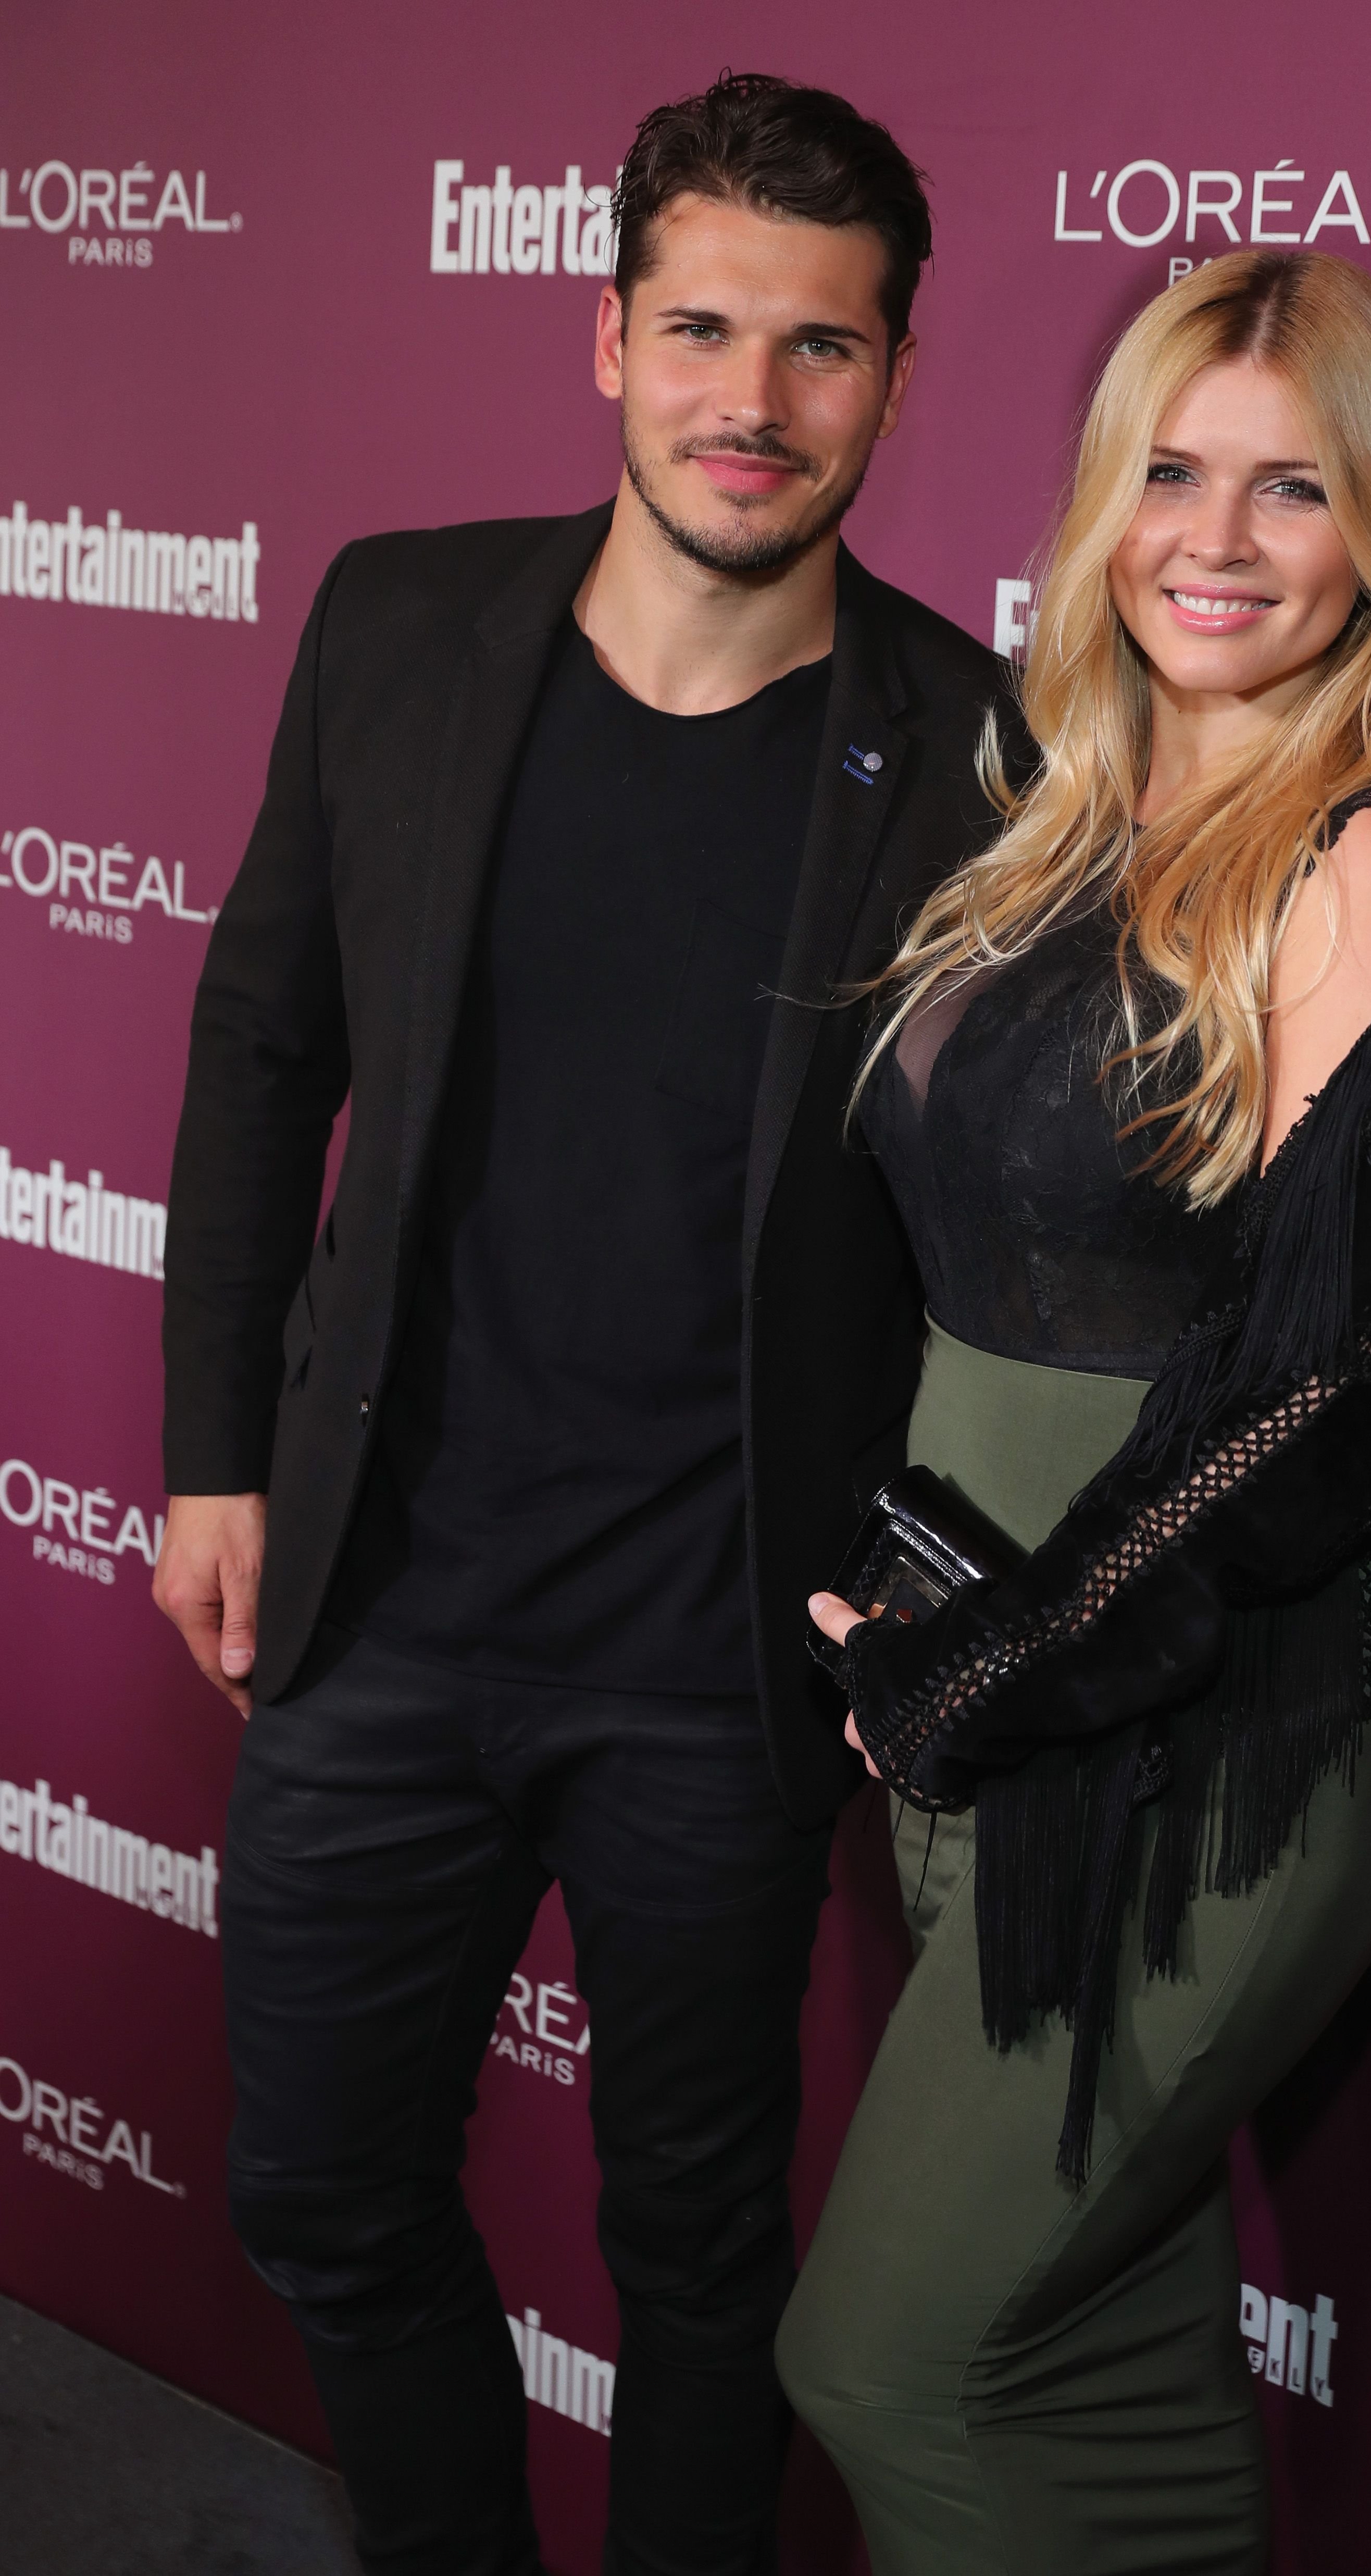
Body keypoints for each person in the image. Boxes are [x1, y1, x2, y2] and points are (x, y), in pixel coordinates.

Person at [153, 72, 1016, 2576]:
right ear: (608, 337)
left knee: (702, 2276)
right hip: (377, 1603)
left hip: (718, 1658)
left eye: (822, 347)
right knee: (319, 2191)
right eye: (706, 329)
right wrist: (218, 1458)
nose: (754, 401)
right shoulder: (397, 620)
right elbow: (256, 1044)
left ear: (891, 379)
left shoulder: (974, 746)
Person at [783, 249, 1371, 2573]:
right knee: (1084, 2357)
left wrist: (989, 1680)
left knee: (886, 2357)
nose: (1212, 540)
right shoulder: (1049, 834)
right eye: (1172, 475)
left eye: (1289, 488)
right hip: (978, 1694)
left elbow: (1321, 1403)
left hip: (1194, 1746)